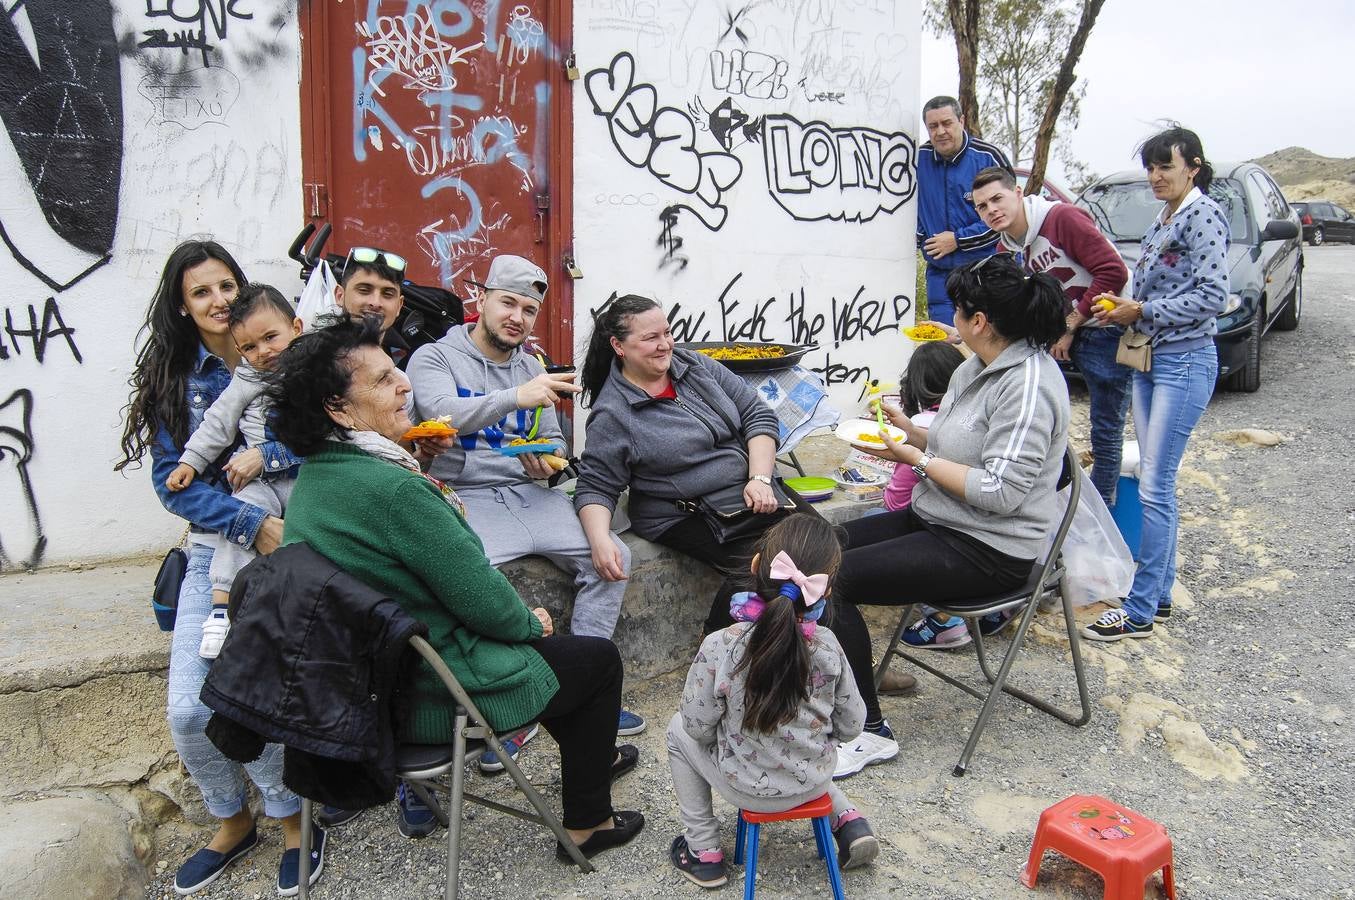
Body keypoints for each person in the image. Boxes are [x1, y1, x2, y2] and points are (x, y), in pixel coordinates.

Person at [267, 316, 645, 862]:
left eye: (396, 370)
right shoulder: (395, 490)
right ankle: (589, 824)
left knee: (569, 663)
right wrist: (527, 623)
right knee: (596, 659)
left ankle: (591, 752)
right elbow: (486, 604)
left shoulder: (318, 478)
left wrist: (421, 469)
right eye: (381, 380)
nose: (404, 385)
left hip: (353, 690)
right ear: (337, 407)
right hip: (427, 699)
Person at [116, 241, 319, 896]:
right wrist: (248, 523)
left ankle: (293, 821)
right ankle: (232, 821)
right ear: (182, 305)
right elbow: (176, 484)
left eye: (226, 284)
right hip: (219, 547)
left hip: (300, 536)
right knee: (188, 711)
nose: (219, 300)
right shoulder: (180, 381)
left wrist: (274, 476)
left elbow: (331, 433)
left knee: (258, 689)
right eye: (200, 291)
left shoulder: (296, 359)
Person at [829, 254, 1071, 778]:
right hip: (939, 518)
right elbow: (957, 444)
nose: (951, 319)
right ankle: (830, 686)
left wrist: (918, 459)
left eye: (956, 310)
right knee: (817, 545)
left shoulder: (1027, 386)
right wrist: (910, 434)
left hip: (990, 547)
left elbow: (1001, 492)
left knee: (833, 580)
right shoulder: (975, 365)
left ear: (979, 321)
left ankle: (868, 731)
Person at [407, 254, 644, 765]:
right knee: (463, 587)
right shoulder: (434, 357)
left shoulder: (531, 365)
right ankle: (507, 706)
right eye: (508, 302)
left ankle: (582, 678)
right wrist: (518, 395)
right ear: (483, 300)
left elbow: (552, 438)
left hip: (530, 495)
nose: (517, 316)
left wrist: (547, 461)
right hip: (464, 497)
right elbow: (440, 413)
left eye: (529, 309)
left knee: (613, 558)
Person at [667, 514, 879, 888]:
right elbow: (851, 726)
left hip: (745, 788)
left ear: (754, 567)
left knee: (676, 731)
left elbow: (697, 727)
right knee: (800, 743)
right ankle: (846, 817)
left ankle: (703, 852)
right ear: (824, 591)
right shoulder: (828, 644)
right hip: (813, 782)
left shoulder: (722, 645)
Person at [575, 294, 805, 636]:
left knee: (825, 549)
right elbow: (596, 486)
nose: (665, 345)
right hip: (684, 513)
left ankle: (832, 661)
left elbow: (757, 414)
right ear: (618, 346)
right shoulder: (613, 414)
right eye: (651, 338)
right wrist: (599, 540)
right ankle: (715, 652)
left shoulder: (694, 366)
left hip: (748, 493)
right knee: (776, 570)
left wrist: (759, 477)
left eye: (667, 333)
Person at [1082, 127, 1229, 642]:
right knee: (1155, 483)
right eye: (1151, 167)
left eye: (1165, 166)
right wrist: (1121, 312)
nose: (1155, 176)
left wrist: (1142, 309)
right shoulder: (1167, 216)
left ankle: (1140, 609)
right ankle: (1157, 597)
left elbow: (1214, 296)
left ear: (1192, 165)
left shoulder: (1203, 214)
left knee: (1155, 485)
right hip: (1151, 356)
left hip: (1184, 361)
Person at [971, 165, 1133, 506]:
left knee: (1105, 428)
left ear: (1018, 193)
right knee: (1048, 423)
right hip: (1065, 332)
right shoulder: (1010, 248)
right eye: (982, 207)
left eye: (997, 199)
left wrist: (1071, 325)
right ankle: (1056, 507)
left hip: (1104, 329)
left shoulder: (1061, 219)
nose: (991, 210)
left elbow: (1113, 271)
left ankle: (1102, 515)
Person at [165, 285, 304, 658]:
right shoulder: (246, 380)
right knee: (242, 513)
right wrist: (189, 462)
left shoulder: (316, 372)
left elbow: (333, 434)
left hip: (310, 477)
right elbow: (217, 424)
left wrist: (269, 454)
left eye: (272, 338)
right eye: (251, 347)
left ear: (297, 327)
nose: (264, 352)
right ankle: (222, 609)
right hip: (262, 483)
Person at [878, 340, 977, 652]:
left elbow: (897, 500)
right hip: (969, 519)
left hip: (939, 524)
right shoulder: (966, 422)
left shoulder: (921, 424)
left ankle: (943, 618)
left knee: (878, 526)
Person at [915, 96, 1013, 326]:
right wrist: (923, 239)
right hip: (940, 276)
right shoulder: (919, 160)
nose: (940, 132)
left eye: (947, 123)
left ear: (961, 120)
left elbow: (1008, 219)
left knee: (990, 343)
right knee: (948, 349)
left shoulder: (988, 158)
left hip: (986, 271)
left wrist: (958, 240)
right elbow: (907, 211)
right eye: (933, 126)